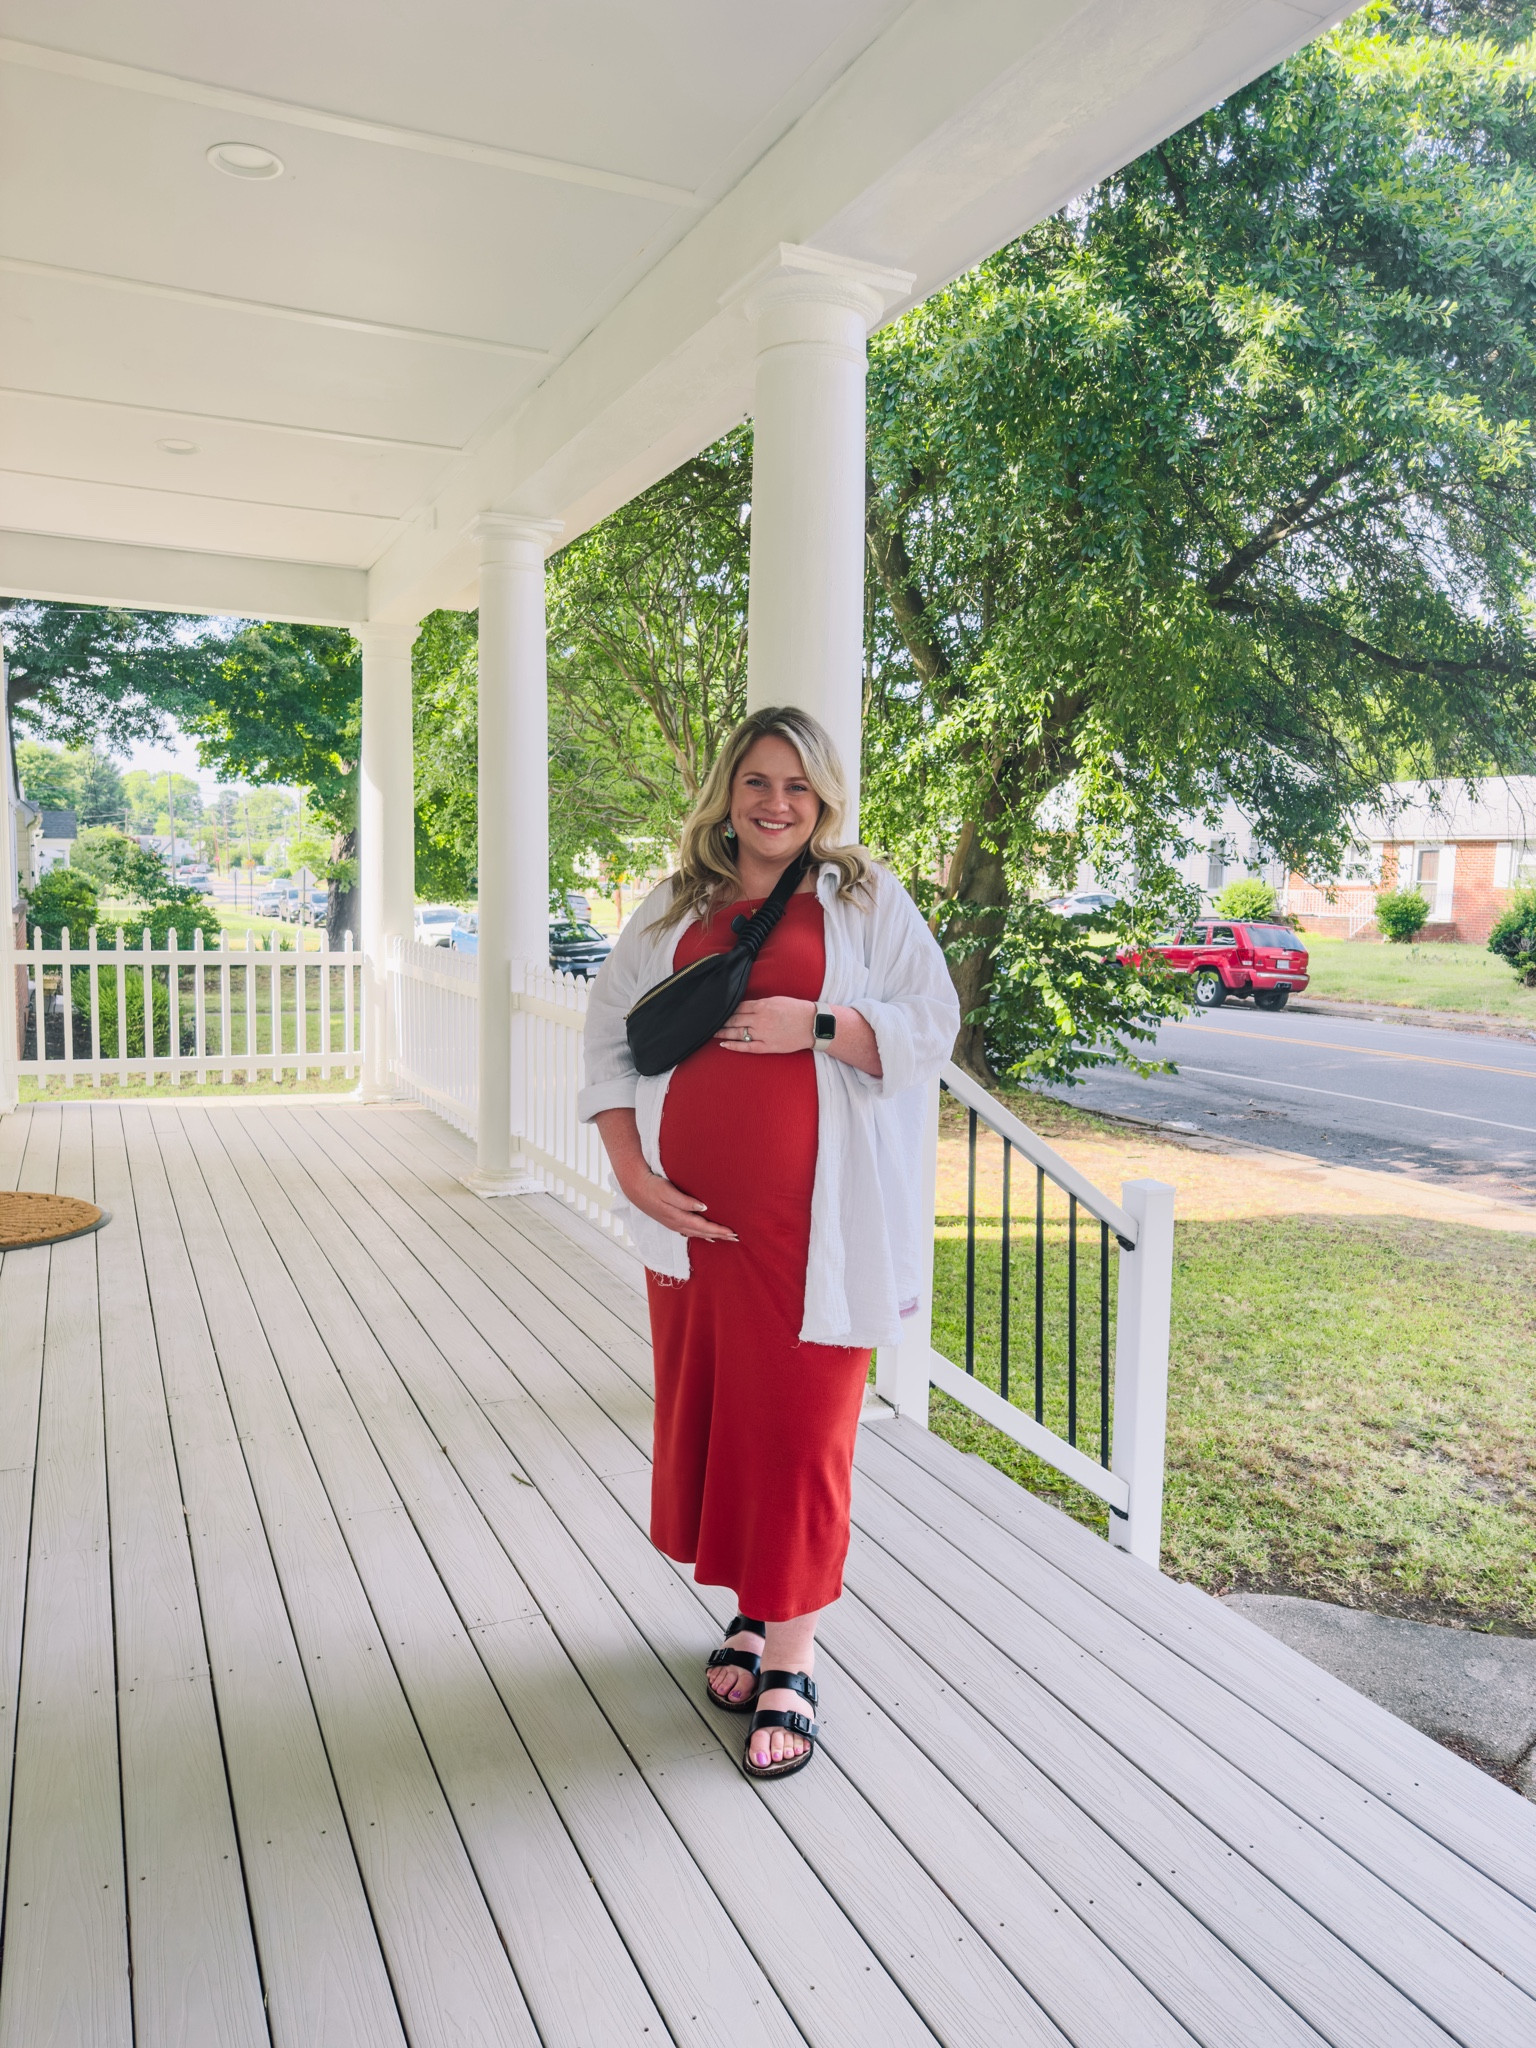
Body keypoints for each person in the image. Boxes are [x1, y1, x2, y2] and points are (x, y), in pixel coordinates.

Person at [579, 707, 958, 1779]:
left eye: (796, 783)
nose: (775, 801)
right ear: (727, 790)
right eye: (756, 779)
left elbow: (933, 1020)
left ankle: (791, 1655)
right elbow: (609, 1034)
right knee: (730, 1420)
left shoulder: (865, 896)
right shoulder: (679, 901)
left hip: (818, 1228)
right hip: (698, 1225)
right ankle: (754, 1612)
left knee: (802, 1431)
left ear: (824, 795)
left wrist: (823, 1025)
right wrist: (632, 1170)